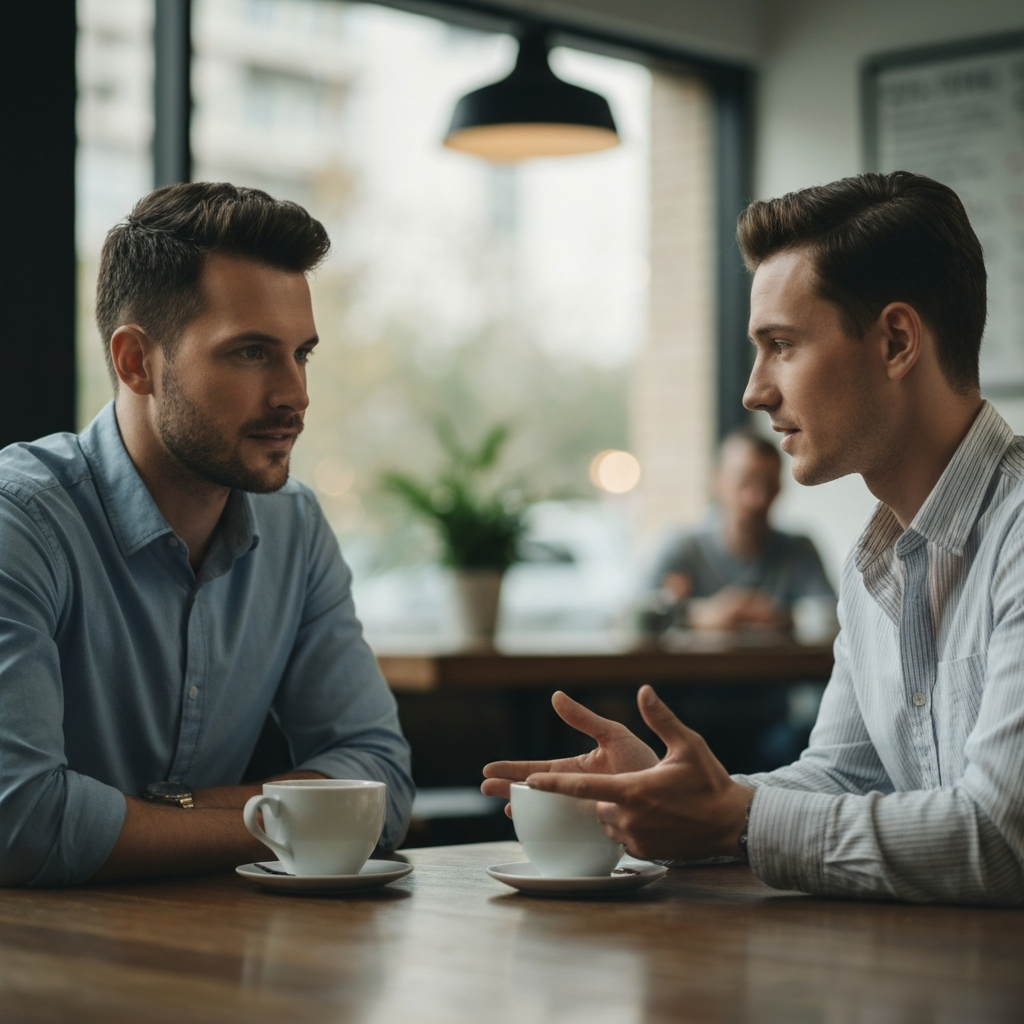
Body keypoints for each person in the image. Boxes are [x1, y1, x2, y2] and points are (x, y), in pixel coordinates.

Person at [484, 171, 1024, 905]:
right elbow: (839, 777)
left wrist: (730, 819)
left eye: (781, 345)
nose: (754, 390)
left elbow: (1001, 837)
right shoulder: (875, 564)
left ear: (896, 341)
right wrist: (671, 796)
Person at [0, 183, 414, 887]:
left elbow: (379, 781)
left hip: (211, 960)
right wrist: (286, 816)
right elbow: (22, 823)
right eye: (251, 353)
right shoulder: (21, 522)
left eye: (301, 354)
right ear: (136, 362)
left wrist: (161, 812)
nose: (295, 394)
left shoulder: (296, 527)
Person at [644, 429, 834, 633]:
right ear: (716, 482)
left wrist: (776, 615)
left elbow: (834, 616)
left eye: (769, 484)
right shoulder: (681, 549)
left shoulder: (798, 550)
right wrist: (694, 615)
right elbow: (627, 615)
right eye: (745, 481)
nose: (758, 498)